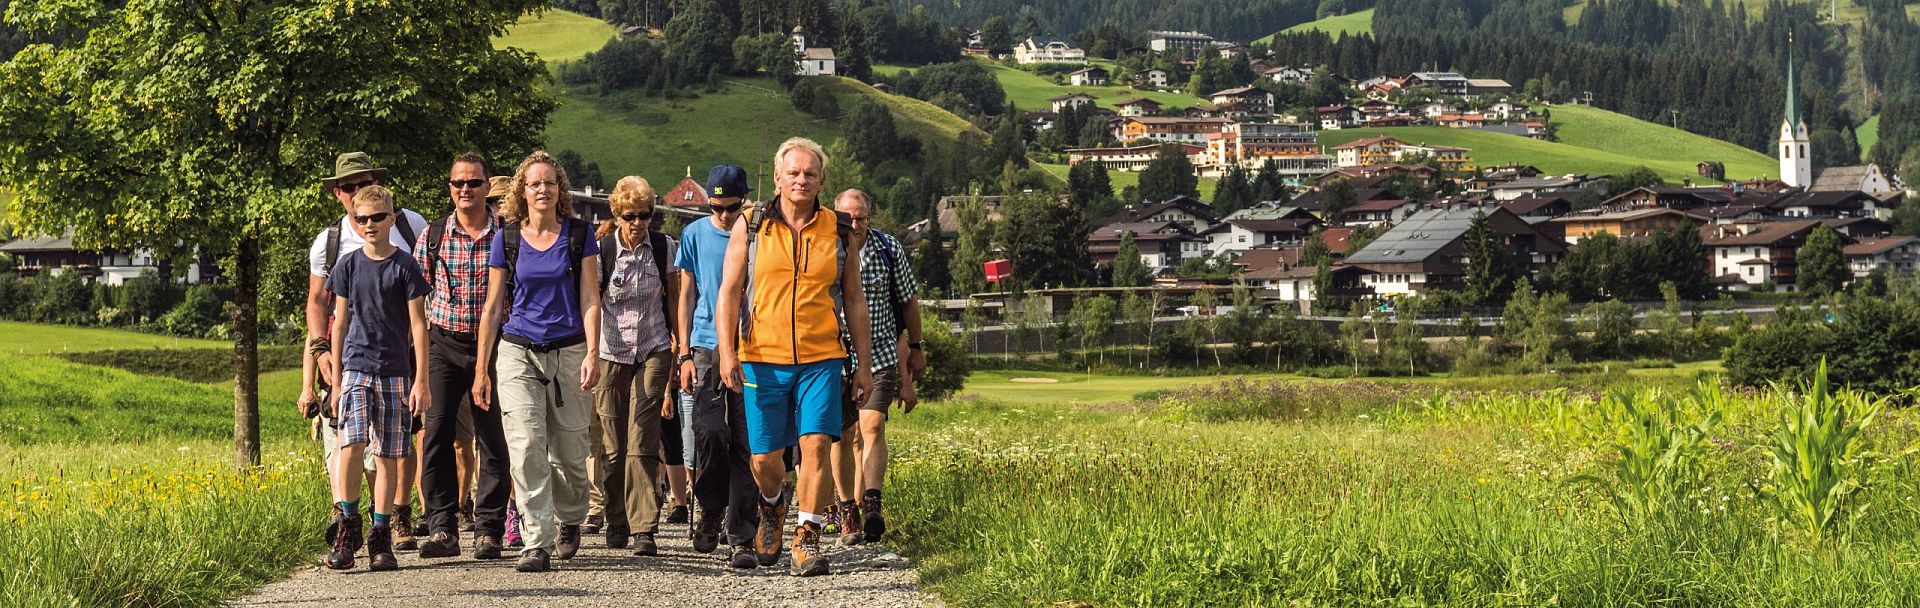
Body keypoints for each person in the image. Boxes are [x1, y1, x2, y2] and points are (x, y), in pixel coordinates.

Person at [716, 138, 875, 577]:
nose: (801, 179)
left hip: (822, 355)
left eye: (810, 173)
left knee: (816, 446)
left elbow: (855, 300)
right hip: (761, 356)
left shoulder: (839, 229)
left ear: (822, 180)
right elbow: (729, 292)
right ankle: (772, 505)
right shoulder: (749, 225)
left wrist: (863, 365)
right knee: (766, 461)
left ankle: (808, 537)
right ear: (778, 178)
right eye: (794, 173)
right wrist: (727, 353)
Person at [472, 151, 601, 573]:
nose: (542, 190)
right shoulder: (506, 238)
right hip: (517, 349)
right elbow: (492, 308)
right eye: (534, 184)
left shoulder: (580, 235)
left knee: (571, 452)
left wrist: (593, 352)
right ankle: (536, 541)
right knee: (526, 445)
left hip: (569, 349)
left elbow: (589, 299)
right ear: (521, 192)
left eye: (550, 183)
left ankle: (569, 517)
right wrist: (481, 369)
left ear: (560, 190)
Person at [299, 152, 428, 551]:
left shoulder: (411, 228)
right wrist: (323, 357)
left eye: (364, 183)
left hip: (397, 357)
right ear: (338, 193)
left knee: (396, 445)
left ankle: (393, 520)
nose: (359, 197)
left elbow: (421, 309)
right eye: (349, 187)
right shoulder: (333, 244)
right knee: (350, 442)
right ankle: (348, 519)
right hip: (352, 360)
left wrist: (421, 373)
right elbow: (321, 304)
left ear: (389, 213)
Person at [413, 153, 515, 560]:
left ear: (487, 186)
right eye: (458, 183)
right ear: (450, 187)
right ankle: (442, 527)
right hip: (445, 344)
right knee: (436, 435)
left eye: (473, 183)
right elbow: (415, 295)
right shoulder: (434, 235)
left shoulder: (507, 233)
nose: (465, 190)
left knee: (493, 438)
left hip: (495, 346)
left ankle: (488, 528)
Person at [826, 189, 925, 547]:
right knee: (842, 434)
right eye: (848, 217)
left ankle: (872, 501)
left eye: (861, 217)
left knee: (872, 423)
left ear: (870, 216)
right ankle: (845, 505)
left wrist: (915, 346)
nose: (855, 224)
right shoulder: (825, 246)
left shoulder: (888, 248)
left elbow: (908, 300)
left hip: (880, 350)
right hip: (834, 352)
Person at [674, 165, 762, 569]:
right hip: (707, 345)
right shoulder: (694, 235)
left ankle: (741, 532)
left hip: (755, 346)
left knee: (747, 442)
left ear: (744, 201)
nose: (725, 215)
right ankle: (711, 506)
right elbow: (687, 293)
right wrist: (685, 353)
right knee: (709, 432)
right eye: (716, 207)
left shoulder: (761, 234)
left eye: (732, 207)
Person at [590, 176, 679, 556]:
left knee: (643, 437)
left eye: (645, 215)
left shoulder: (664, 247)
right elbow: (591, 304)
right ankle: (616, 518)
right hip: (611, 351)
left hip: (653, 348)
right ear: (617, 214)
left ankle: (644, 526)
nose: (638, 223)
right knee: (611, 441)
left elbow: (673, 300)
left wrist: (681, 348)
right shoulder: (601, 252)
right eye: (630, 216)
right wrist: (590, 354)